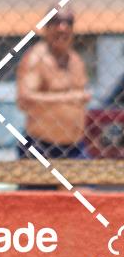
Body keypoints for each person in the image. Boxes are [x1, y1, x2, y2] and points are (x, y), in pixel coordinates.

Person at [17, 9, 91, 160]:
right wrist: (66, 98)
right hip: (42, 146)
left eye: (68, 22)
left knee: (89, 176)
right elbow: (24, 99)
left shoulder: (75, 60)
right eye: (56, 21)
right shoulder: (36, 59)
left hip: (75, 146)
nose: (62, 27)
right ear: (46, 27)